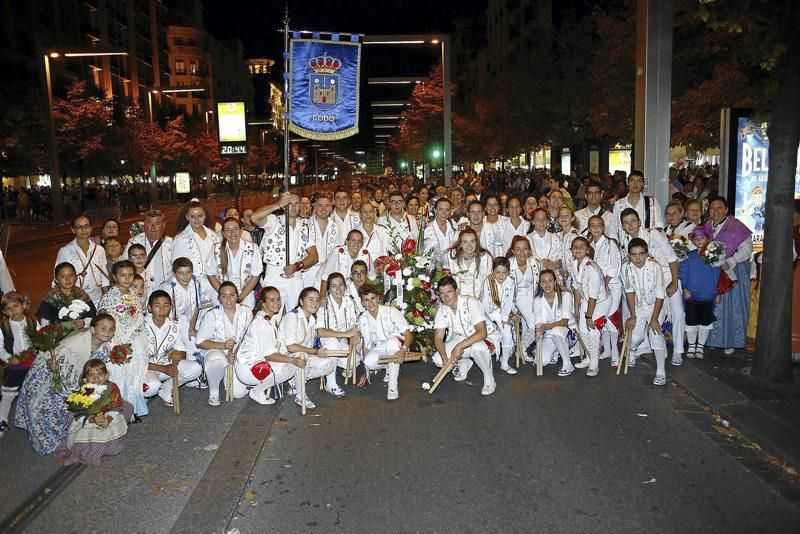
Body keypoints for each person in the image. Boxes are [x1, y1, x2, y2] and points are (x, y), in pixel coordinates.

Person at [15, 313, 116, 455]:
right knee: (41, 406)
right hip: (50, 377)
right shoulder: (75, 345)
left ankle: (72, 432)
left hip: (77, 381)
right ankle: (49, 443)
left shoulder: (105, 348)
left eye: (111, 329)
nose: (108, 332)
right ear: (93, 329)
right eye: (103, 328)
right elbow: (62, 373)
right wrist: (76, 393)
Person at [619, 208, 684, 363]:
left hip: (667, 276)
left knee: (678, 311)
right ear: (622, 226)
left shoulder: (653, 233)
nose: (630, 225)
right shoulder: (626, 242)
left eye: (633, 221)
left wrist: (674, 282)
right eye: (626, 223)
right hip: (648, 283)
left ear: (640, 221)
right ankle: (643, 344)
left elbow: (672, 258)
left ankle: (678, 351)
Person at [52, 358, 132, 466]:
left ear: (106, 375)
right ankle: (92, 448)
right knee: (91, 431)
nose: (96, 378)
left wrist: (108, 419)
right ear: (85, 379)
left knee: (124, 412)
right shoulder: (83, 393)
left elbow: (115, 406)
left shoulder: (112, 388)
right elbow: (79, 414)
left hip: (109, 414)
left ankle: (108, 444)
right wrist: (93, 419)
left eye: (100, 374)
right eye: (91, 375)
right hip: (89, 418)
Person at [97, 260, 149, 418]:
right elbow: (105, 323)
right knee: (121, 378)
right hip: (118, 342)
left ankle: (133, 409)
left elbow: (138, 316)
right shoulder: (109, 298)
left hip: (135, 342)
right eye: (123, 275)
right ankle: (121, 412)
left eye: (131, 275)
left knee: (134, 377)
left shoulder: (132, 294)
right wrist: (115, 344)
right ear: (114, 276)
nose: (127, 279)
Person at [252, 192, 318, 313]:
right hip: (274, 274)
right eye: (289, 203)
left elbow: (314, 256)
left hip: (296, 276)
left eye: (296, 203)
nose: (293, 207)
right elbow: (254, 218)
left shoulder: (305, 226)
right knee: (272, 315)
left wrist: (297, 266)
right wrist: (277, 204)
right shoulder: (274, 221)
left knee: (296, 315)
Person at [702, 197, 753, 354]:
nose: (715, 211)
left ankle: (731, 341)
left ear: (726, 209)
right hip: (713, 271)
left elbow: (747, 249)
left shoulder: (737, 226)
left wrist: (731, 261)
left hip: (733, 269)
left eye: (719, 208)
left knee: (732, 306)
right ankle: (711, 339)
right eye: (712, 208)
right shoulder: (707, 227)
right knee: (713, 305)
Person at [237, 287, 304, 405]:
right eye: (272, 300)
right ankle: (257, 391)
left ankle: (296, 388)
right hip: (249, 367)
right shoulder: (262, 324)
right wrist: (292, 360)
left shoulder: (267, 318)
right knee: (289, 367)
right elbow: (269, 356)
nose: (277, 303)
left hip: (257, 361)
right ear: (263, 303)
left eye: (278, 299)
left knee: (295, 356)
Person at [433, 276, 497, 396]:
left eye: (449, 292)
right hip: (463, 338)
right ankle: (465, 361)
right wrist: (444, 357)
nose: (446, 297)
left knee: (477, 348)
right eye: (442, 293)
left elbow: (482, 332)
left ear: (457, 291)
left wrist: (459, 347)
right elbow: (438, 338)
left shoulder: (471, 302)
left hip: (487, 338)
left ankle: (489, 379)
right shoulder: (442, 310)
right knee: (438, 360)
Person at [279, 287, 338, 408]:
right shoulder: (292, 316)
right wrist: (316, 352)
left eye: (317, 300)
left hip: (304, 357)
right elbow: (290, 347)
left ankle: (296, 381)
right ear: (301, 301)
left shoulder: (311, 319)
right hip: (287, 358)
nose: (314, 303)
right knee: (303, 356)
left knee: (329, 364)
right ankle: (301, 396)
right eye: (310, 299)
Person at [196, 282, 253, 405]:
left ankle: (238, 377)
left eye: (232, 295)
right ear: (219, 298)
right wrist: (222, 346)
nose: (228, 299)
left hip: (238, 354)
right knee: (218, 360)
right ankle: (214, 392)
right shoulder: (211, 315)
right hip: (217, 350)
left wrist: (238, 354)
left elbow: (249, 338)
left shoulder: (247, 312)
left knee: (238, 393)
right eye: (224, 296)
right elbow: (199, 342)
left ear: (237, 296)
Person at [622, 238, 669, 385]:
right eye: (634, 254)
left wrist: (654, 319)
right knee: (634, 337)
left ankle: (661, 371)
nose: (638, 258)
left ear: (647, 254)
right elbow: (629, 292)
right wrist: (633, 315)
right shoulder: (626, 268)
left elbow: (660, 295)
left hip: (655, 305)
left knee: (655, 334)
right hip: (638, 306)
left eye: (641, 254)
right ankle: (633, 352)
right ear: (629, 255)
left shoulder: (655, 267)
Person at [142, 291, 202, 406]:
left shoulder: (173, 326)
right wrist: (163, 368)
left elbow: (182, 352)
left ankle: (167, 387)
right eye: (157, 306)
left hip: (167, 366)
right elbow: (137, 360)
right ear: (149, 308)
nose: (162, 310)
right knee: (152, 387)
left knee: (196, 368)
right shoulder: (141, 326)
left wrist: (177, 354)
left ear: (171, 307)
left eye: (166, 306)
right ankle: (144, 392)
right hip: (147, 368)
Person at [356, 284, 412, 400]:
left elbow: (408, 335)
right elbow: (365, 346)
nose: (370, 303)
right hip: (379, 347)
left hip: (397, 345)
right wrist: (366, 372)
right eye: (366, 300)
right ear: (362, 303)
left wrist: (403, 350)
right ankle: (389, 366)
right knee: (369, 362)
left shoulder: (391, 311)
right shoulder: (362, 319)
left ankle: (392, 386)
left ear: (377, 298)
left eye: (372, 298)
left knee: (391, 343)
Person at [569, 237, 612, 377]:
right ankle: (588, 357)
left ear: (588, 250)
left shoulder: (591, 268)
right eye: (575, 247)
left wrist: (588, 317)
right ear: (571, 251)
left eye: (582, 246)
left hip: (600, 301)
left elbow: (593, 296)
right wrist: (576, 308)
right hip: (587, 299)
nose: (578, 249)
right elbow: (576, 288)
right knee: (582, 329)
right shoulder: (574, 264)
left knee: (592, 329)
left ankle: (594, 363)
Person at [159, 258, 212, 367]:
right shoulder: (167, 288)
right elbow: (163, 314)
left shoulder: (194, 282)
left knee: (194, 341)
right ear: (174, 273)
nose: (185, 277)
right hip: (168, 321)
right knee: (177, 348)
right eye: (181, 273)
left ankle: (195, 372)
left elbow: (196, 305)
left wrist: (191, 328)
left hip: (185, 319)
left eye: (188, 272)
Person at [679, 227, 722, 360]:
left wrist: (718, 292)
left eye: (702, 237)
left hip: (708, 294)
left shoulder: (714, 256)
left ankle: (700, 346)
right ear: (692, 240)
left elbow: (719, 275)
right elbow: (683, 274)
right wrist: (685, 288)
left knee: (705, 322)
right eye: (696, 238)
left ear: (708, 239)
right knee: (691, 321)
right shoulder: (688, 256)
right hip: (692, 295)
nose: (699, 240)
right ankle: (692, 345)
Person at [587, 216, 623, 365]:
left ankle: (615, 353)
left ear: (603, 228)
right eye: (593, 226)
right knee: (602, 318)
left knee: (610, 319)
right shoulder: (588, 245)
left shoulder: (610, 244)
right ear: (589, 228)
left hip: (611, 286)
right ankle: (607, 350)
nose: (596, 229)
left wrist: (603, 286)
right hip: (597, 289)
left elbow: (613, 268)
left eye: (599, 226)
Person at [0, 292, 38, 436]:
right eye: (8, 308)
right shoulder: (4, 327)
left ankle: (33, 420)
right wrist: (9, 358)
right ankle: (2, 419)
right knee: (8, 393)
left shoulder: (32, 322)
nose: (13, 310)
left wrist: (40, 354)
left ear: (23, 305)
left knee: (33, 391)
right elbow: (0, 348)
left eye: (15, 306)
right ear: (4, 312)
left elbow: (40, 339)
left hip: (33, 362)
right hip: (15, 364)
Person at [206, 218, 262, 309]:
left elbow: (255, 275)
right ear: (223, 233)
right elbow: (210, 273)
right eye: (228, 230)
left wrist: (241, 297)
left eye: (236, 229)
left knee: (244, 315)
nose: (232, 233)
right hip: (222, 291)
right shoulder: (216, 249)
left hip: (245, 291)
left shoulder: (252, 248)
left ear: (240, 231)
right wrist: (223, 294)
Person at [55, 215, 109, 307]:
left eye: (86, 226)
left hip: (98, 298)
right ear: (73, 230)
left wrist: (107, 297)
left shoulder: (99, 249)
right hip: (76, 299)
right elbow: (58, 277)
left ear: (91, 228)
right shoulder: (65, 251)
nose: (83, 230)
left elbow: (104, 275)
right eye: (79, 227)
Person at [172, 200, 218, 306]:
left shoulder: (213, 235)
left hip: (215, 286)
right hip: (193, 289)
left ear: (205, 215)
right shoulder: (181, 239)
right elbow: (177, 267)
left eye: (200, 216)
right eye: (193, 216)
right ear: (187, 217)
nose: (197, 220)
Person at [317, 273, 362, 377]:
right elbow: (320, 332)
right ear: (328, 289)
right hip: (327, 339)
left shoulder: (349, 301)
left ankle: (334, 363)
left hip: (343, 339)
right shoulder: (323, 304)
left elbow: (356, 323)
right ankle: (330, 379)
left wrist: (355, 335)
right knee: (333, 342)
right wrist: (345, 334)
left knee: (354, 362)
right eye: (333, 286)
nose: (338, 289)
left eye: (341, 285)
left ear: (345, 287)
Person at [533, 269, 575, 376]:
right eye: (543, 281)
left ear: (555, 282)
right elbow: (539, 324)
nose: (547, 285)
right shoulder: (537, 300)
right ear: (540, 283)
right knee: (539, 362)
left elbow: (565, 322)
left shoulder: (565, 295)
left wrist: (546, 326)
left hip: (568, 332)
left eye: (550, 281)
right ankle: (556, 350)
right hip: (549, 334)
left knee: (556, 331)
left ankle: (568, 364)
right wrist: (538, 332)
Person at [481, 257, 516, 375]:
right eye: (498, 272)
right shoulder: (488, 281)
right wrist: (491, 320)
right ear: (493, 271)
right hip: (488, 312)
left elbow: (509, 302)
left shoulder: (511, 282)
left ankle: (504, 363)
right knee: (492, 332)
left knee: (507, 331)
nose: (501, 276)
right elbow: (485, 302)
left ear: (509, 272)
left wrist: (504, 318)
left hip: (502, 312)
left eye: (504, 273)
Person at [508, 235, 541, 353]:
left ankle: (524, 350)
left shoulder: (535, 262)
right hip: (516, 296)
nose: (522, 253)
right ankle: (521, 349)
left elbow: (543, 278)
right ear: (513, 251)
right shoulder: (508, 265)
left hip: (533, 294)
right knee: (534, 325)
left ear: (529, 250)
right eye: (518, 249)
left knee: (533, 322)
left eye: (525, 248)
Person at [37, 262, 97, 327]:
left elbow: (92, 316)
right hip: (59, 333)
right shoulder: (52, 296)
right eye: (63, 276)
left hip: (81, 331)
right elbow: (45, 321)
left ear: (76, 277)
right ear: (56, 280)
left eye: (71, 275)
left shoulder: (81, 294)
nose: (67, 279)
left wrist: (84, 323)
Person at [124, 209, 173, 288]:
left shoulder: (171, 244)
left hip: (164, 291)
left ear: (163, 225)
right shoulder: (133, 242)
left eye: (157, 224)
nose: (153, 227)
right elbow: (124, 266)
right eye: (149, 223)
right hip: (140, 291)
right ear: (144, 225)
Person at [613, 171, 664, 240]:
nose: (635, 184)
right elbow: (615, 227)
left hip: (648, 245)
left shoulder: (652, 202)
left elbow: (659, 226)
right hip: (626, 245)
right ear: (627, 183)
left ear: (643, 184)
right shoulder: (619, 204)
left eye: (638, 181)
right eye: (632, 180)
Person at [317, 230, 372, 295]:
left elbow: (370, 278)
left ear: (362, 243)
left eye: (359, 241)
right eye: (353, 240)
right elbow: (325, 277)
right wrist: (322, 298)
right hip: (326, 287)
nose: (356, 243)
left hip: (350, 290)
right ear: (347, 242)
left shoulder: (365, 254)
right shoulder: (337, 253)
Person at [304, 194, 340, 290]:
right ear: (314, 206)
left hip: (327, 271)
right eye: (320, 205)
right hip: (307, 271)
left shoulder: (335, 227)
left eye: (327, 206)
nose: (324, 209)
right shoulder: (305, 225)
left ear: (332, 207)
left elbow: (336, 252)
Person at [445, 229, 493, 299]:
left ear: (476, 243)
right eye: (465, 242)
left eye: (472, 241)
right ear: (460, 244)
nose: (469, 245)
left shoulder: (486, 258)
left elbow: (489, 284)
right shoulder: (450, 256)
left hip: (479, 302)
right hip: (457, 301)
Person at [423, 197, 458, 267]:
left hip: (451, 267)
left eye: (447, 210)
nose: (444, 213)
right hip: (433, 269)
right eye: (440, 209)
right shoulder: (428, 229)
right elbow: (427, 254)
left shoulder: (454, 226)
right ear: (435, 210)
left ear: (450, 211)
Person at [357, 202, 389, 267]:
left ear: (374, 214)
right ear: (360, 215)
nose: (368, 214)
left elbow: (387, 252)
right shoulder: (354, 232)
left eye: (370, 211)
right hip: (361, 271)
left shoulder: (383, 231)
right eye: (364, 212)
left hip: (380, 270)